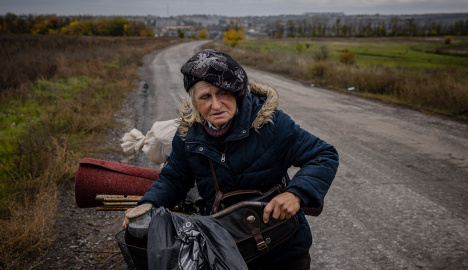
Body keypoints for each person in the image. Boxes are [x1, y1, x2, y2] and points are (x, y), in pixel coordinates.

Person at [123, 49, 339, 269]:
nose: (216, 105)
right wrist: (148, 206)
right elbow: (174, 178)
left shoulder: (272, 125)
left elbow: (323, 155)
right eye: (205, 97)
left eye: (223, 93)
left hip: (283, 247)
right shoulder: (187, 135)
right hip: (225, 247)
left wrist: (296, 194)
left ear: (237, 91)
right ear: (195, 101)